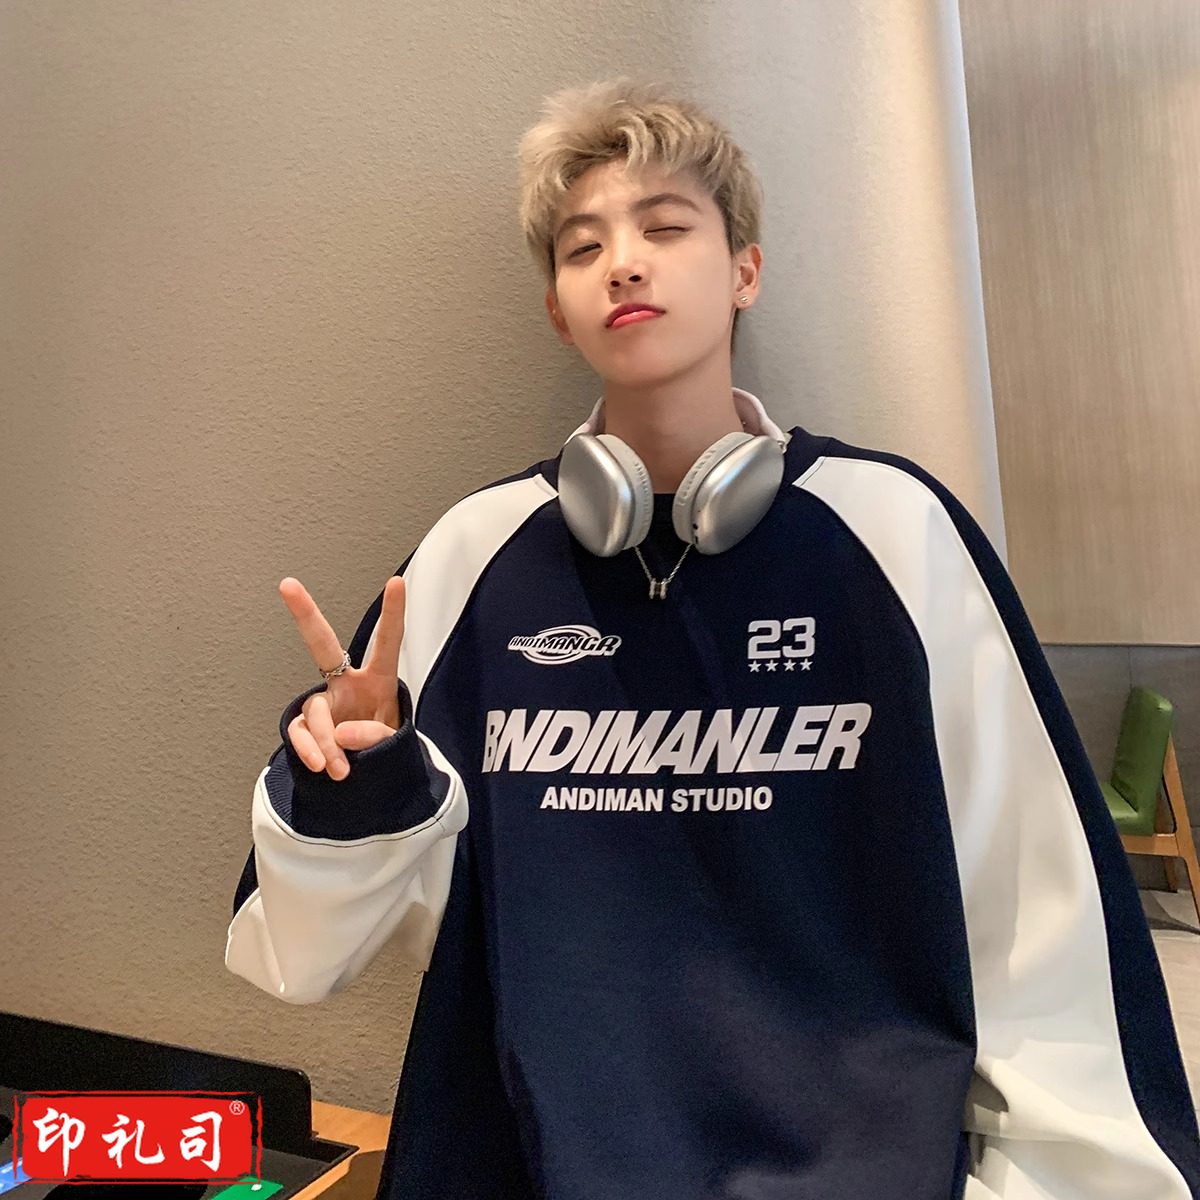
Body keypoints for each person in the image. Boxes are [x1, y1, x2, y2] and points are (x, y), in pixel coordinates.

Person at [225, 77, 1200, 1200]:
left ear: (746, 270)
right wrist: (353, 787)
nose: (623, 264)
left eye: (666, 227)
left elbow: (1043, 925)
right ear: (558, 309)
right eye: (583, 246)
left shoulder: (897, 532)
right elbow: (296, 958)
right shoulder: (470, 555)